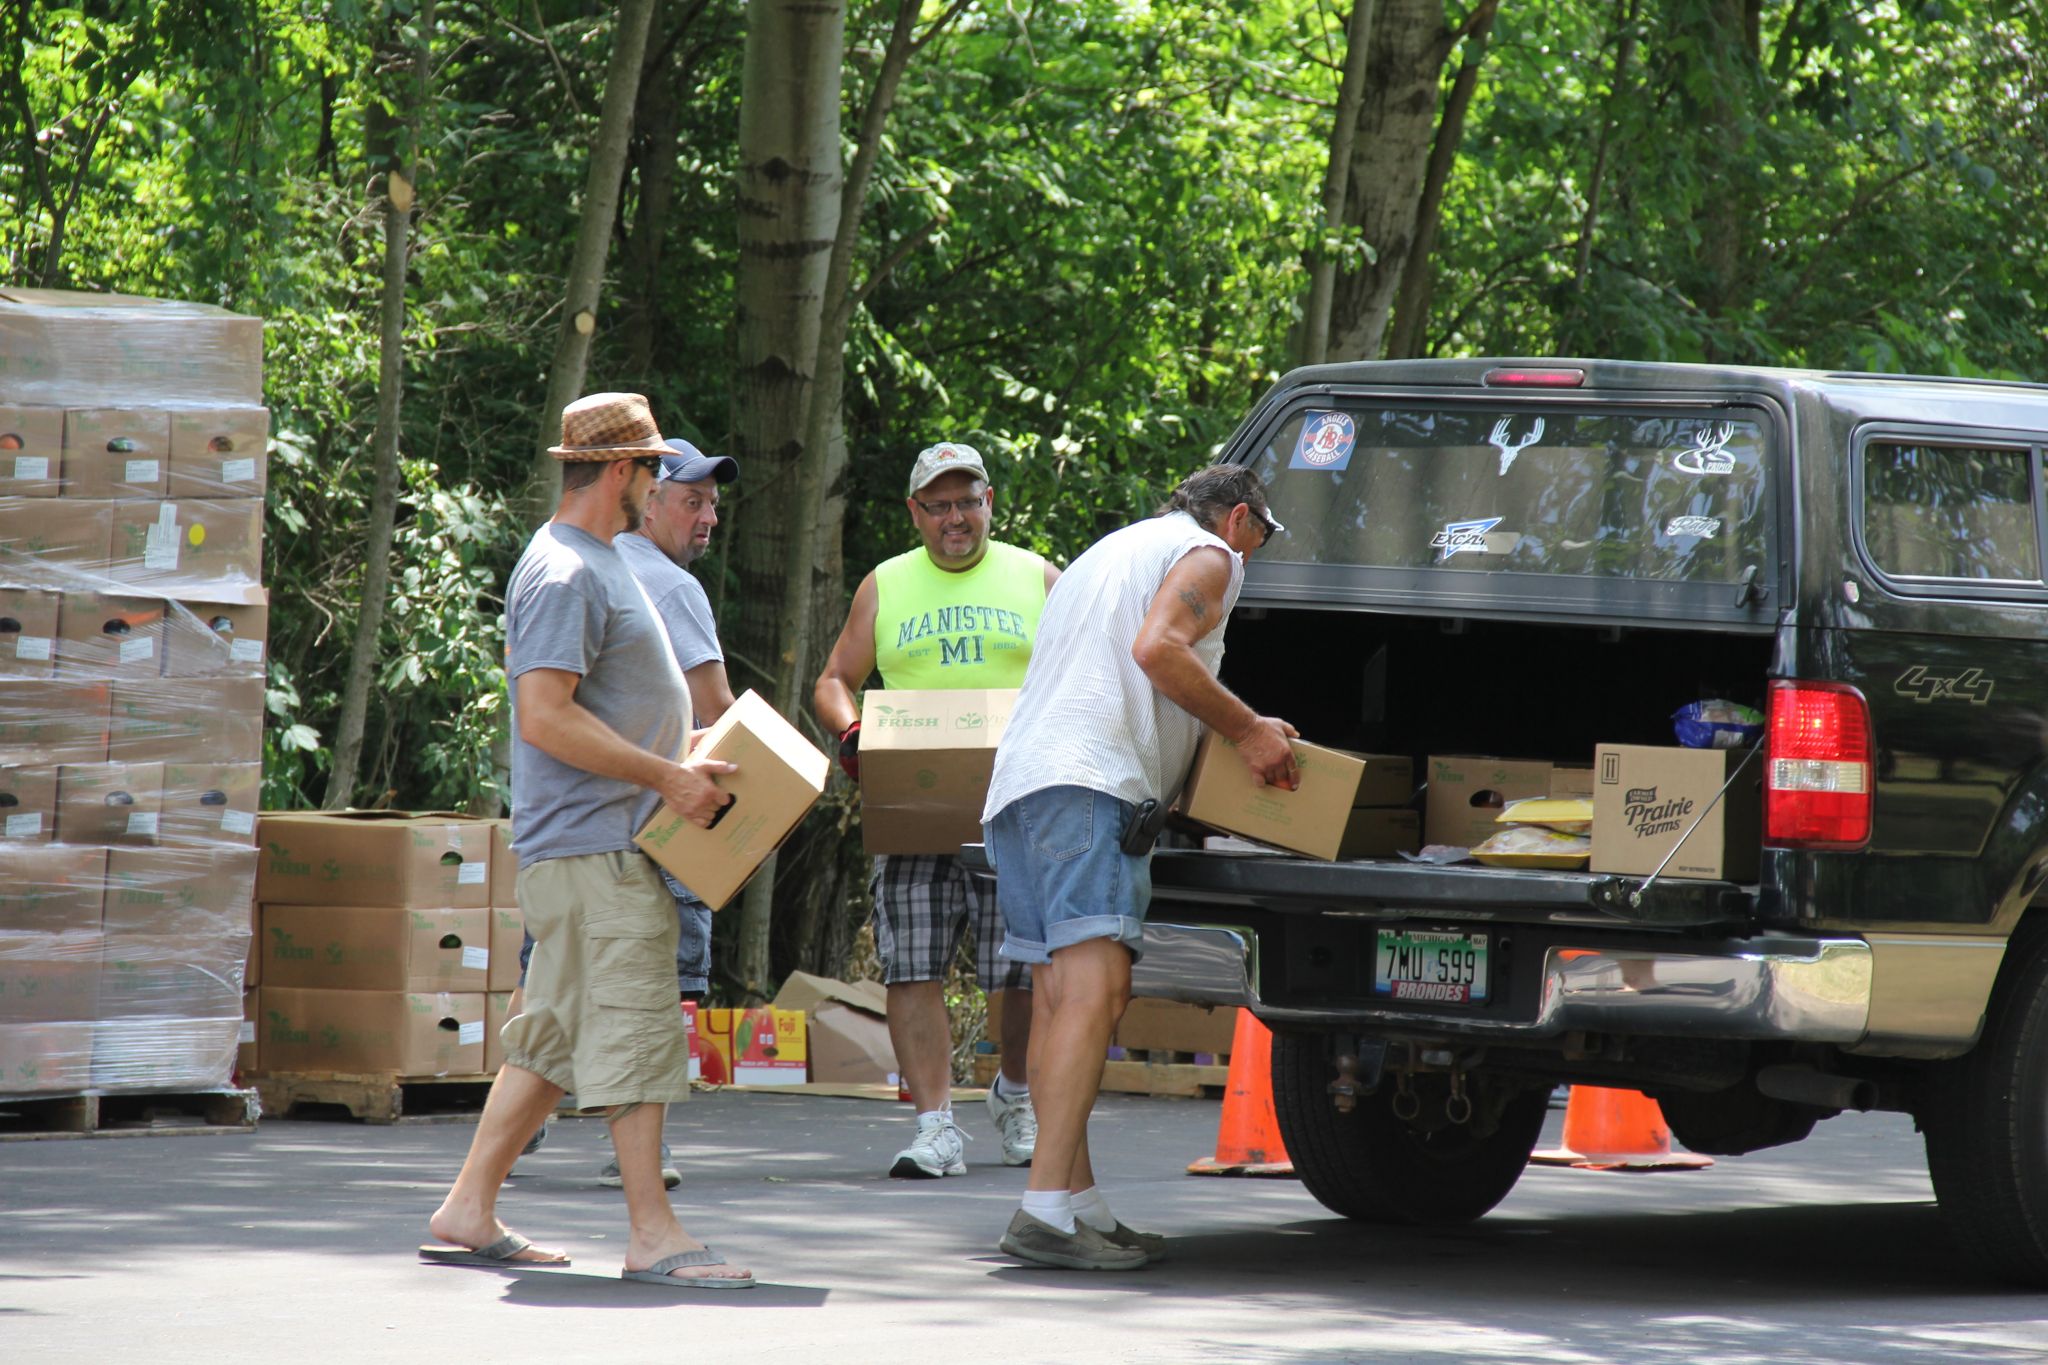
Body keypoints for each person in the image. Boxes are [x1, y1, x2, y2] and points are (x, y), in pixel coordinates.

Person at [422, 392, 754, 1288]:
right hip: (598, 849)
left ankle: (468, 1206)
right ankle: (652, 1232)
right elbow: (544, 717)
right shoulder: (567, 570)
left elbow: (594, 711)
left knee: (552, 1037)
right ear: (623, 473)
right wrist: (666, 777)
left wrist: (678, 753)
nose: (659, 488)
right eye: (654, 470)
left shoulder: (595, 561)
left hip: (597, 842)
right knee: (638, 1028)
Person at [980, 464, 1298, 1271]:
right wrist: (1250, 730)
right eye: (1261, 535)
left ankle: (1076, 1200)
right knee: (1097, 992)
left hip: (1019, 790)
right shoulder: (1207, 554)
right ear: (1237, 518)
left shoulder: (1110, 550)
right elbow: (1157, 648)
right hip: (1089, 786)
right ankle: (1044, 1208)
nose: (1254, 557)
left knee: (1061, 1001)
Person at [814, 441, 1058, 1177]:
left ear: (990, 502)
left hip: (1015, 802)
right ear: (916, 513)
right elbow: (834, 678)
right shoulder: (886, 585)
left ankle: (1013, 1093)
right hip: (913, 804)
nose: (957, 517)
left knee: (1015, 969)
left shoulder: (1040, 577)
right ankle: (934, 1124)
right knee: (911, 965)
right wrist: (853, 733)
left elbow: (1090, 670)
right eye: (941, 504)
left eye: (968, 500)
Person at [599, 437, 739, 1189]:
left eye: (714, 502)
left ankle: (512, 1124)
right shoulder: (675, 589)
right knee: (666, 981)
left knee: (557, 972)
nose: (709, 515)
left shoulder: (585, 565)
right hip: (663, 811)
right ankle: (647, 1148)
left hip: (584, 812)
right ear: (650, 502)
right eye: (694, 500)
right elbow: (718, 711)